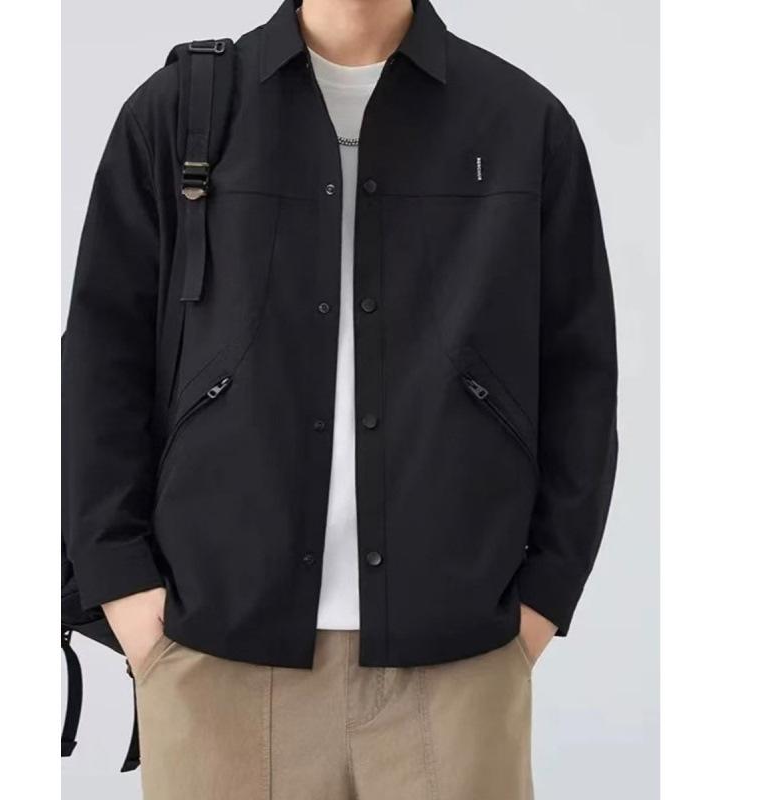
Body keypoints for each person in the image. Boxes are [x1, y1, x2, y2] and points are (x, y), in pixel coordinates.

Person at [62, 0, 618, 797]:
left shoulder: (523, 123)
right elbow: (99, 361)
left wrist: (542, 600)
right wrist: (122, 587)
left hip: (458, 662)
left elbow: (580, 377)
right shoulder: (179, 111)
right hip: (214, 657)